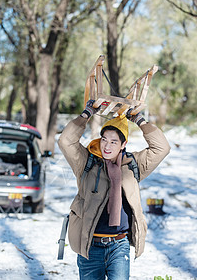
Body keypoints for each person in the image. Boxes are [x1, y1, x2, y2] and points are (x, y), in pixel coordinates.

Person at [58, 100, 170, 280]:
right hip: (90, 246)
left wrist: (140, 120)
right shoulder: (86, 162)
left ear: (123, 144)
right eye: (104, 140)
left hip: (119, 245)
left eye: (113, 142)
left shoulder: (133, 164)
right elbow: (66, 141)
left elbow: (162, 148)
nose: (107, 146)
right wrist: (86, 113)